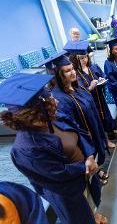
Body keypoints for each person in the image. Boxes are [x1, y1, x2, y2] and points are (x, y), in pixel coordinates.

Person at [0, 73, 103, 224]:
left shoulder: (55, 116)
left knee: (91, 201)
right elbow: (57, 173)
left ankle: (94, 215)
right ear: (36, 109)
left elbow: (80, 133)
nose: (55, 100)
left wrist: (89, 155)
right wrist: (85, 166)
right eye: (49, 99)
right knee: (80, 218)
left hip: (85, 173)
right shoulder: (25, 149)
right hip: (66, 191)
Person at [67, 41, 116, 151]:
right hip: (90, 102)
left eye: (85, 57)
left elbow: (102, 74)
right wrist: (90, 88)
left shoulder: (93, 67)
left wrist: (102, 79)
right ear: (75, 60)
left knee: (105, 117)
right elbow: (79, 91)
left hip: (100, 98)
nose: (84, 60)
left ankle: (108, 136)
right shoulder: (76, 74)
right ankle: (104, 142)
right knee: (97, 121)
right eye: (81, 58)